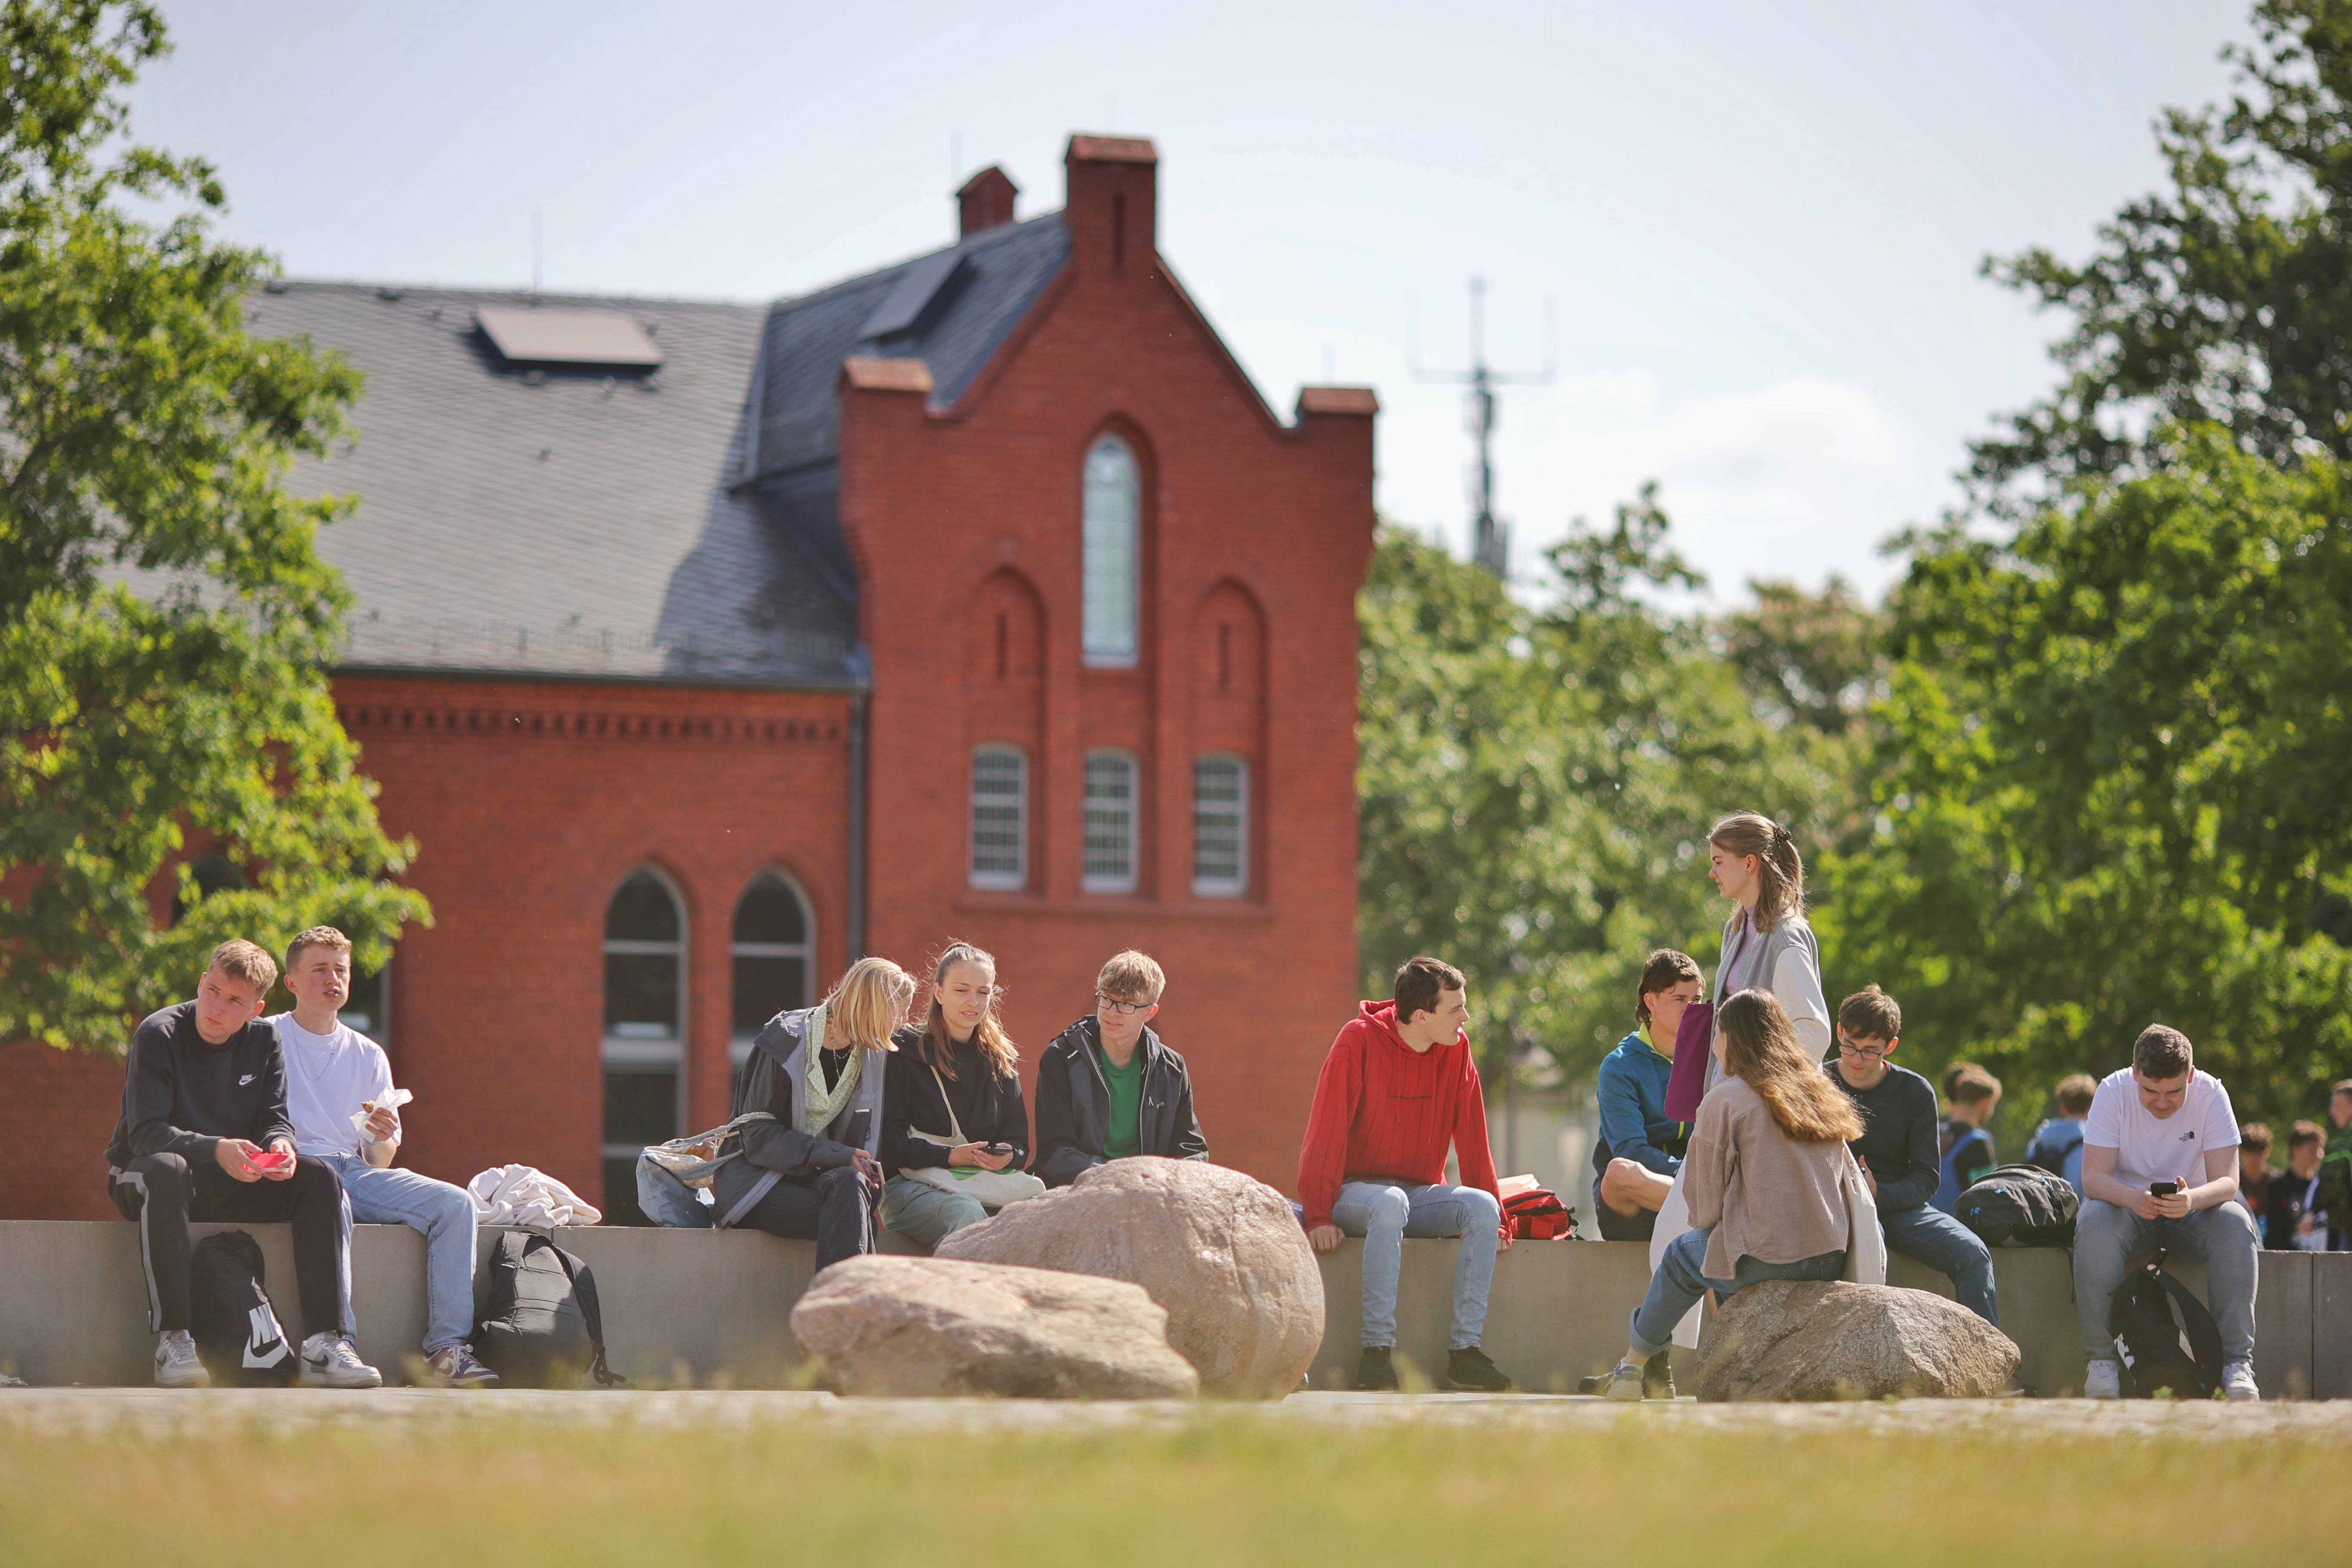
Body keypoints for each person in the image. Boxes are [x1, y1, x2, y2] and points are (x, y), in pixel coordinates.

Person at [104, 940, 382, 1389]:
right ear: (202, 981)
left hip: (227, 1176)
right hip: (144, 1176)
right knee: (167, 1169)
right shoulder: (159, 1034)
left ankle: (325, 1343)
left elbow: (273, 1118)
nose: (216, 1007)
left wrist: (281, 1146)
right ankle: (175, 1341)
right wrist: (216, 1148)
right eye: (212, 991)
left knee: (318, 1176)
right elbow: (145, 1134)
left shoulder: (265, 1041)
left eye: (234, 1001)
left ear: (257, 1009)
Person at [1600, 988, 1860, 1400]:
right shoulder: (1817, 1092)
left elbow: (1702, 1209)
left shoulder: (1726, 1098)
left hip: (1770, 1257)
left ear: (1729, 1037)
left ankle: (1631, 1367)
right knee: (1722, 1248)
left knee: (1683, 1254)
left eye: (1716, 1033)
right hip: (1830, 1253)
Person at [273, 926, 496, 1387]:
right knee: (326, 1192)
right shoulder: (265, 1038)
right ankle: (339, 1345)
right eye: (319, 970)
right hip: (295, 1169)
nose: (333, 979)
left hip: (352, 1169)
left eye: (341, 969)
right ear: (291, 982)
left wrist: (382, 1134)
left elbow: (380, 1161)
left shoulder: (368, 1054)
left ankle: (447, 1351)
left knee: (455, 1204)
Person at [1299, 956, 1514, 1393]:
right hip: (1355, 1196)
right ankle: (1377, 1353)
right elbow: (1326, 1131)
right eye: (1455, 1009)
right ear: (1421, 1016)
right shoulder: (1356, 1042)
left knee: (1482, 1208)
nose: (1465, 1018)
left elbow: (1473, 1139)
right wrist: (1320, 1215)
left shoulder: (1457, 1051)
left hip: (1417, 1196)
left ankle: (1465, 1354)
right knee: (1388, 1202)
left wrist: (1501, 1220)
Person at [2074, 1025, 2260, 1401]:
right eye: (2150, 1091)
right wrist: (2132, 1198)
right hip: (2127, 1209)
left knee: (2236, 1220)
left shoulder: (2212, 1093)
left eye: (2174, 1092)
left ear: (2191, 1076)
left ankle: (2236, 1365)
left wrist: (2191, 1200)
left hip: (2194, 1211)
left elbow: (2228, 1182)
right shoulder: (2112, 1091)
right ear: (2135, 1073)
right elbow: (2093, 1179)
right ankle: (2102, 1361)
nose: (2162, 1103)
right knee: (2093, 1219)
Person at [713, 956, 917, 1269]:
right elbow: (758, 1137)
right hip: (758, 1187)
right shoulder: (786, 1038)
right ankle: (850, 1309)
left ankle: (838, 1309)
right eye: (897, 1013)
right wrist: (838, 1154)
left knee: (853, 1192)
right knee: (855, 1218)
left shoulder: (869, 1055)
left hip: (819, 1185)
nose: (900, 1024)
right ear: (873, 1008)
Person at [1821, 986, 1999, 1325]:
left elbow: (1927, 1178)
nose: (1857, 1060)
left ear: (1891, 1046)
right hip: (1835, 1209)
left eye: (1870, 1052)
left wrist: (1878, 1194)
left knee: (1973, 1253)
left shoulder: (1916, 1091)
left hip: (1899, 1207)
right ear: (1839, 1031)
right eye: (1849, 1047)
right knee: (1870, 1249)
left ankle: (1992, 1368)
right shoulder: (1818, 1082)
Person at [878, 942, 1031, 1248]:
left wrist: (1007, 1155)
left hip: (982, 1184)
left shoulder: (1001, 1058)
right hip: (910, 1186)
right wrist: (948, 1155)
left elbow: (1021, 1145)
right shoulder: (903, 1051)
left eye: (983, 992)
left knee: (1039, 1212)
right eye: (962, 990)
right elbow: (886, 1145)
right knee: (967, 1213)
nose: (973, 1002)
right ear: (938, 993)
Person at [1032, 950, 1208, 1186]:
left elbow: (1191, 1148)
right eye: (1106, 999)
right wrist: (1115, 1179)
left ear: (1150, 1012)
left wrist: (1162, 1182)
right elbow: (1055, 1151)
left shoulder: (1172, 1069)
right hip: (1081, 1189)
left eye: (1125, 1004)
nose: (1111, 1012)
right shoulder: (1062, 1058)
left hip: (1150, 1191)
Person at [1591, 949, 1702, 1242]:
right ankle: (1712, 1210)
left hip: (1693, 1190)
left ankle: (1709, 1208)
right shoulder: (1620, 1066)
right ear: (1650, 1001)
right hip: (1639, 1205)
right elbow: (1631, 1151)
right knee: (1619, 1173)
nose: (1691, 1009)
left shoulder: (1713, 1059)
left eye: (1697, 1000)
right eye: (1680, 999)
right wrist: (1693, 1175)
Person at [1932, 1065, 2002, 1214]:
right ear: (1985, 1102)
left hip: (1927, 1223)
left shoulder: (1935, 1132)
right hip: (1961, 1228)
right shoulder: (1978, 1142)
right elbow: (1988, 1196)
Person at [2024, 1074, 2097, 1197]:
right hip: (2073, 1212)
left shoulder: (2037, 1141)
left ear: (2062, 1108)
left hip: (2038, 1212)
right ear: (2091, 1107)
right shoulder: (2092, 1144)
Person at [2263, 1121, 2329, 1252]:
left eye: (2320, 1149)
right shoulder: (2278, 1187)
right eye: (2312, 1150)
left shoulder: (2324, 1186)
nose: (2318, 1155)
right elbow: (2275, 1233)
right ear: (2295, 1150)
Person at [2237, 1122, 2274, 1245]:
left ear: (2267, 1151)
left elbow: (2293, 1206)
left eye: (2259, 1151)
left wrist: (2296, 1208)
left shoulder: (2278, 1182)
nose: (2254, 1157)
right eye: (2249, 1150)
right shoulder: (2234, 1182)